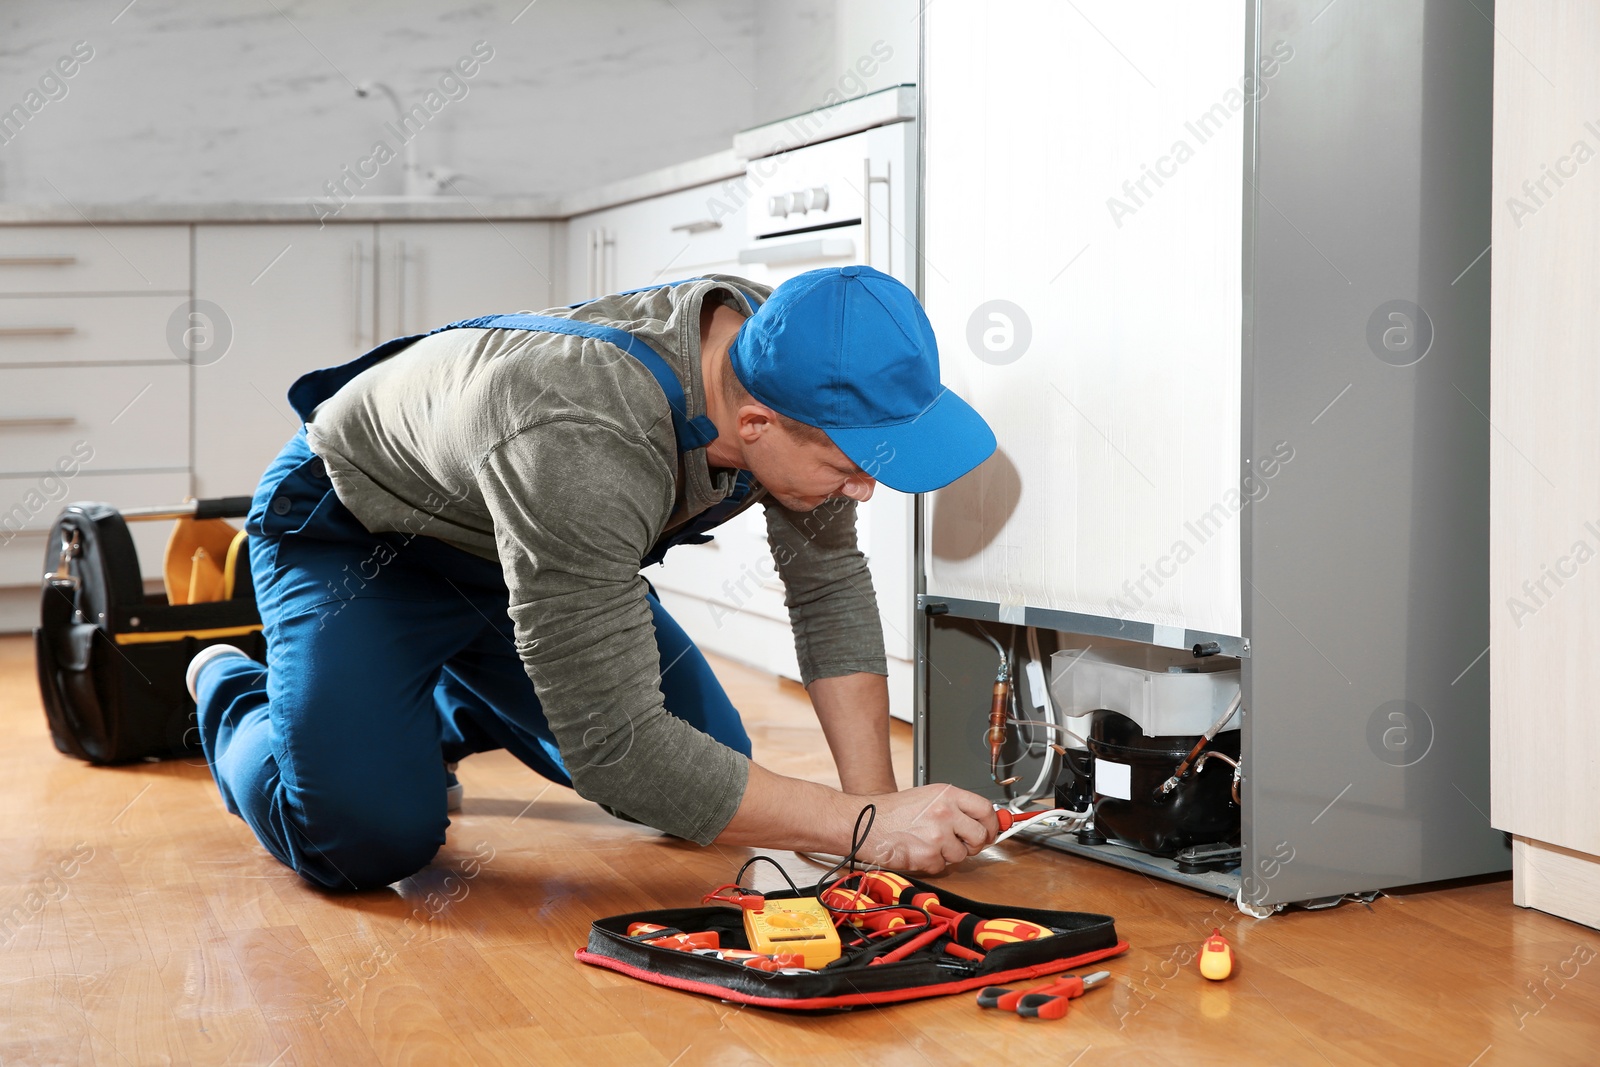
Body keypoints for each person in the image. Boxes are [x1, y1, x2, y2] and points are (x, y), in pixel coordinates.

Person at [187, 266, 1001, 891]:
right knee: (367, 840)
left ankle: (429, 701)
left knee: (709, 772)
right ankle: (232, 689)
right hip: (361, 534)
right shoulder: (581, 436)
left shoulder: (794, 353)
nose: (864, 489)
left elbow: (828, 589)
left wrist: (876, 819)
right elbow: (620, 752)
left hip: (530, 553)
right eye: (854, 467)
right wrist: (858, 825)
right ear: (754, 425)